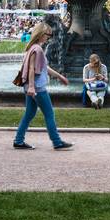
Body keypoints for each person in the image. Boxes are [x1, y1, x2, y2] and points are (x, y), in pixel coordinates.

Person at [12, 21, 72, 150]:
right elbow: (32, 69)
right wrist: (33, 87)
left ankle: (18, 140)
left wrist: (60, 76)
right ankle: (57, 142)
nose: (48, 37)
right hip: (37, 88)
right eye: (47, 34)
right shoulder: (37, 49)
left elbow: (46, 67)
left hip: (30, 86)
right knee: (49, 114)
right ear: (40, 34)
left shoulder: (32, 47)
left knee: (29, 114)